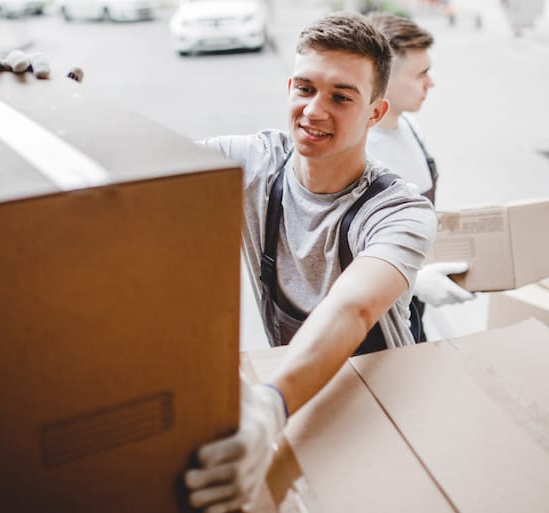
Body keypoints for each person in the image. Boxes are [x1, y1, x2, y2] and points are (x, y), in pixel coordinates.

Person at [183, 12, 436, 513]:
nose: (314, 111)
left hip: (379, 404)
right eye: (304, 88)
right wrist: (45, 100)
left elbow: (352, 310)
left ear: (374, 111)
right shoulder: (251, 163)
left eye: (341, 97)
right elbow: (143, 174)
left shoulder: (399, 210)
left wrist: (268, 407)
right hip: (299, 391)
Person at [365, 14, 474, 328]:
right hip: (378, 322)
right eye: (421, 74)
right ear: (384, 77)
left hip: (414, 313)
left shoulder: (412, 127)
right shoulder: (359, 154)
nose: (431, 83)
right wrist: (414, 282)